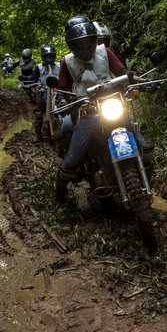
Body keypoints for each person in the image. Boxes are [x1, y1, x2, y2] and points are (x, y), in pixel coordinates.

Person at [53, 15, 153, 202]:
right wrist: (61, 100)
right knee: (71, 161)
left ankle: (147, 176)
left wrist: (141, 81)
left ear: (93, 38)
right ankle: (59, 191)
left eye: (86, 41)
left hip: (115, 104)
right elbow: (62, 88)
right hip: (88, 112)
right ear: (71, 44)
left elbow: (124, 74)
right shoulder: (66, 62)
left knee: (145, 147)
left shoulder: (105, 52)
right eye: (78, 43)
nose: (84, 47)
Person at [30, 44, 60, 142]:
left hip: (57, 93)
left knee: (62, 110)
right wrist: (32, 84)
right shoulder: (39, 68)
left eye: (51, 56)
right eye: (46, 56)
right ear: (43, 57)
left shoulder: (59, 66)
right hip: (43, 93)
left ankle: (62, 130)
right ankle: (38, 135)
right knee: (39, 113)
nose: (49, 59)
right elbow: (33, 79)